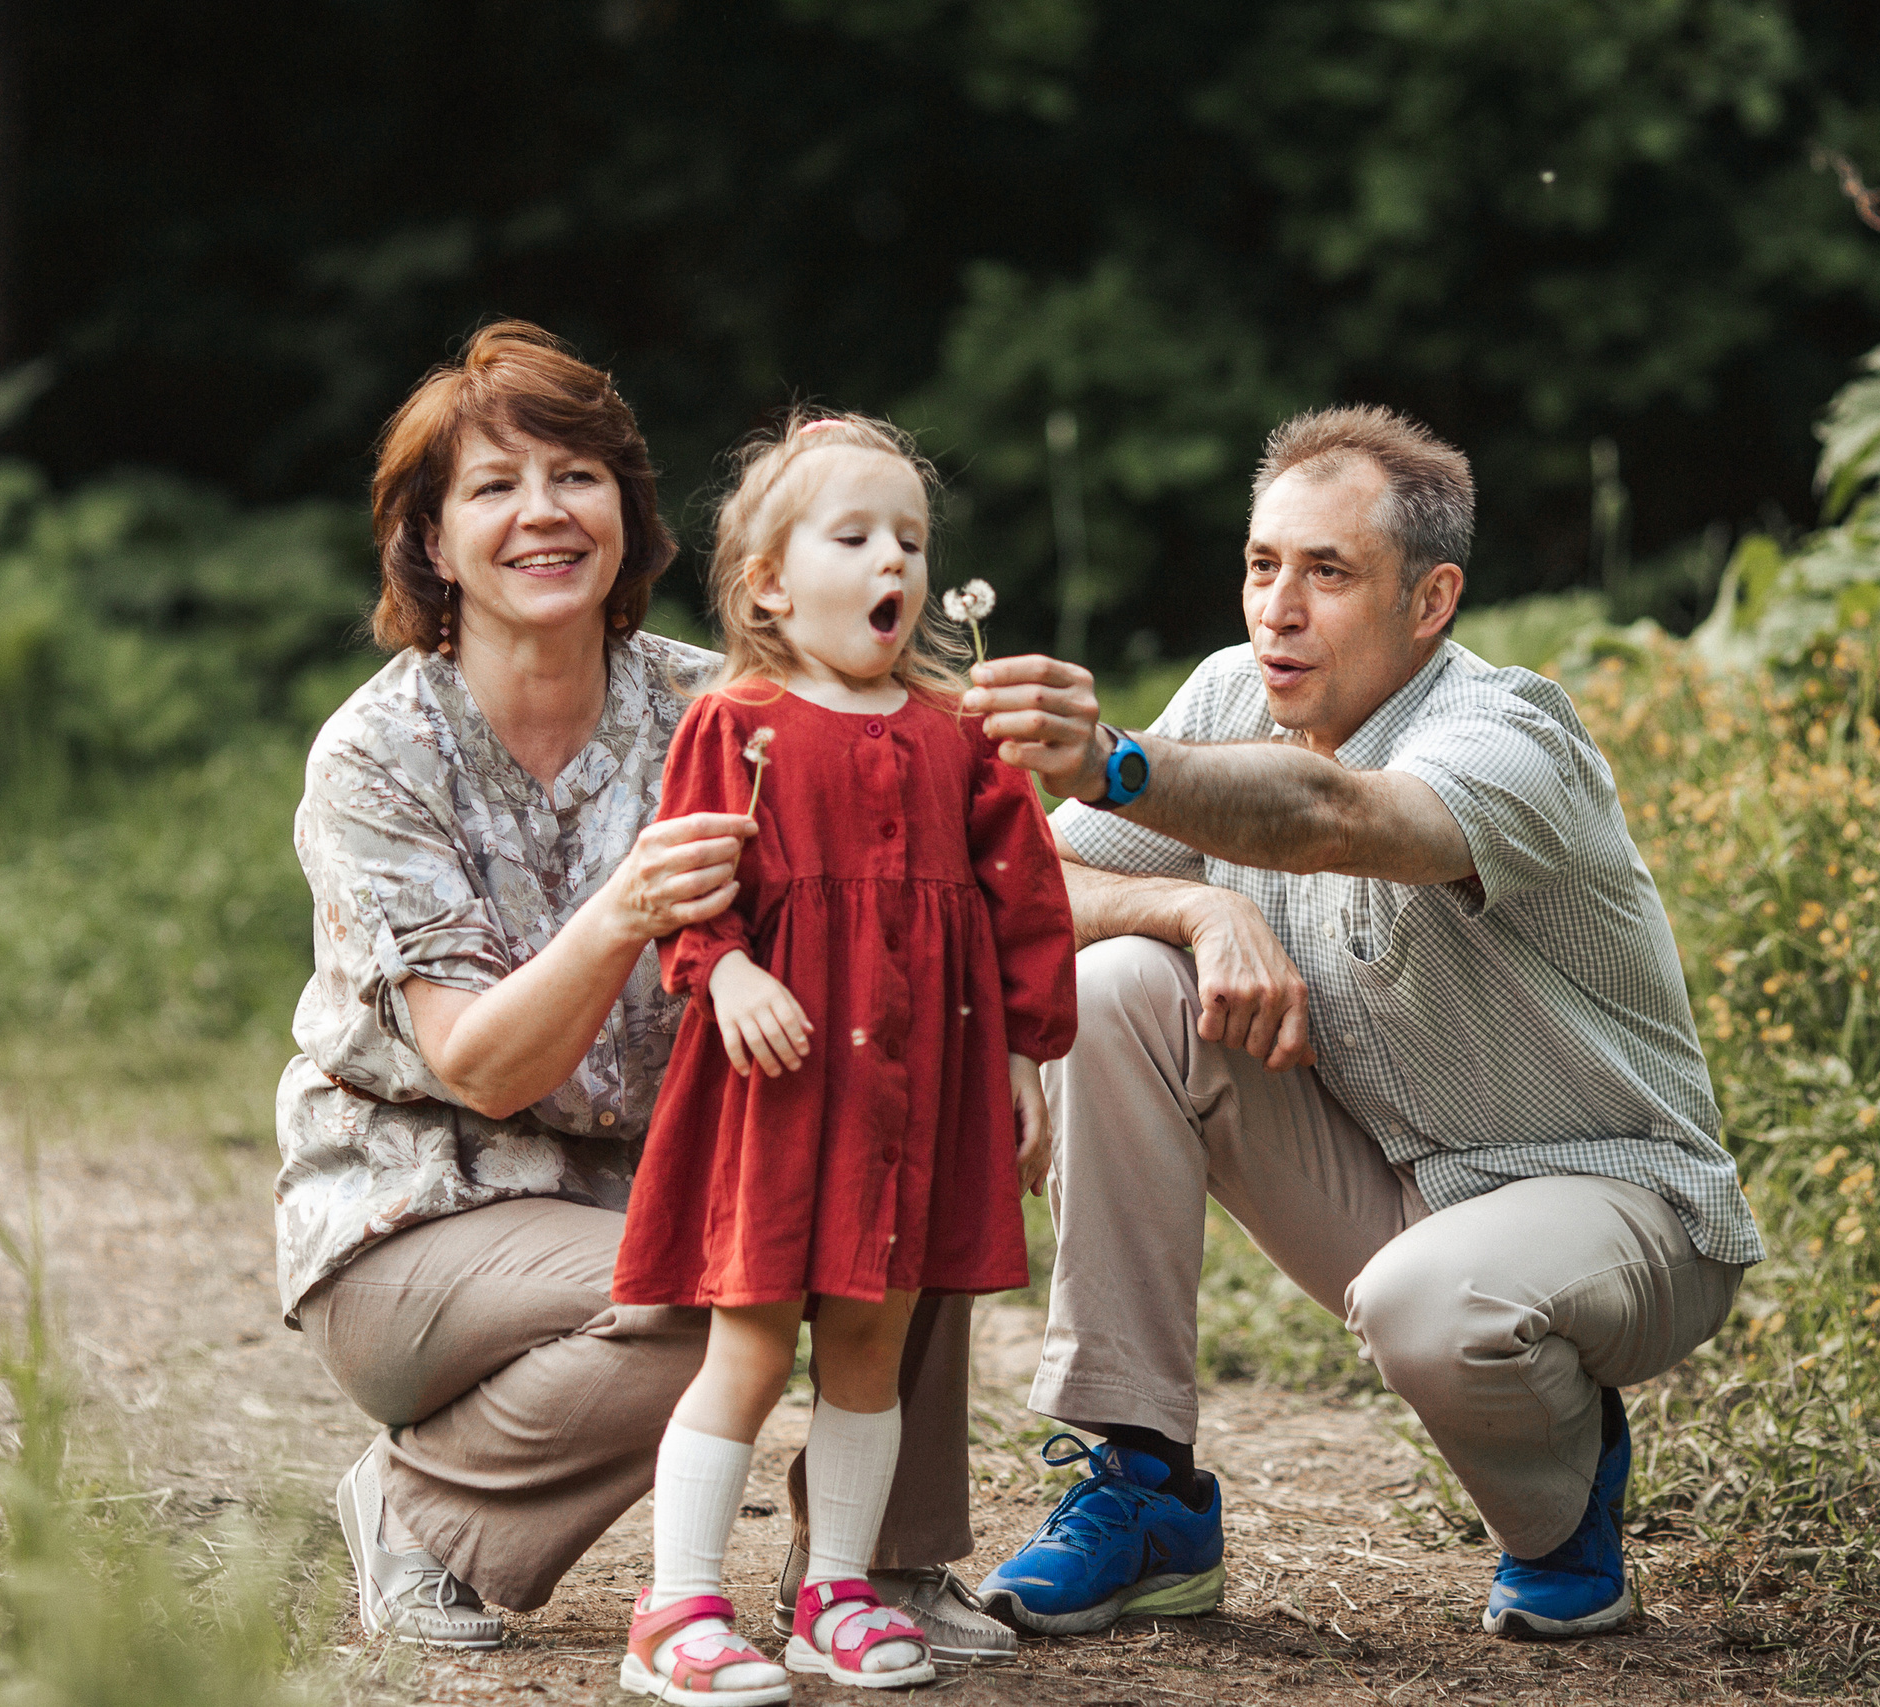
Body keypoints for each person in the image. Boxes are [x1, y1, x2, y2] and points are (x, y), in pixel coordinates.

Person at [275, 324, 1023, 1663]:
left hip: (669, 1164)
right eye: (496, 485)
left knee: (901, 1166)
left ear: (630, 512)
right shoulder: (378, 755)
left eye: (579, 474)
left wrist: (1185, 902)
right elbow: (485, 1066)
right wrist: (626, 907)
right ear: (433, 544)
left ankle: (871, 1574)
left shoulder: (724, 698)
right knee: (709, 1294)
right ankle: (424, 1513)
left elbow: (937, 875)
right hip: (422, 1212)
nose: (545, 511)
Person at [957, 404, 1764, 1641]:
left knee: (1432, 1303)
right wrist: (1188, 904)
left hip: (1615, 1203)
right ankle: (1142, 1486)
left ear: (1430, 600)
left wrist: (1118, 762)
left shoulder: (1510, 732)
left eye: (1327, 573)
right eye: (1261, 564)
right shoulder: (1234, 692)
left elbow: (1342, 818)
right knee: (1119, 983)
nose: (1278, 608)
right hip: (1387, 1188)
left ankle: (1564, 1511)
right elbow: (1032, 890)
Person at [605, 414, 1076, 1705]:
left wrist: (1030, 1057)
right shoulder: (736, 720)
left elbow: (1022, 894)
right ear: (767, 578)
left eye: (912, 540)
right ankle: (679, 1603)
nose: (894, 563)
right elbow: (688, 883)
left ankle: (837, 1592)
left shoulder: (955, 728)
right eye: (855, 534)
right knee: (750, 1345)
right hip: (783, 1090)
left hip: (917, 1095)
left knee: (872, 1349)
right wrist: (731, 966)